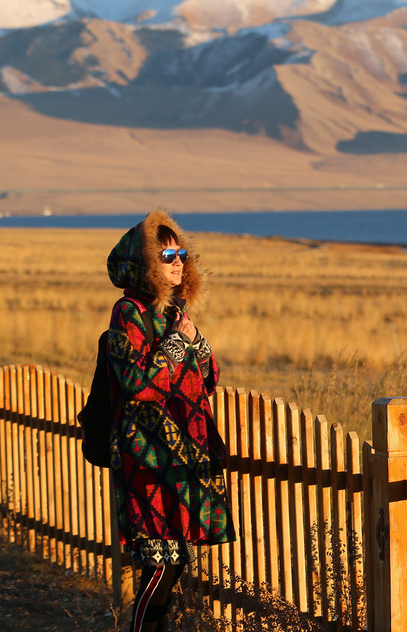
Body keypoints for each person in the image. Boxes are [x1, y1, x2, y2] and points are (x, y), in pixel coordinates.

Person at [105, 210, 235, 632]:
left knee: (175, 564)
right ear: (145, 264)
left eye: (181, 253)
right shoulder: (128, 313)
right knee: (160, 566)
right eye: (166, 255)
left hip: (184, 454)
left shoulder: (173, 314)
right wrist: (180, 342)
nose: (178, 262)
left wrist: (195, 340)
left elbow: (208, 378)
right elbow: (137, 383)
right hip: (146, 454)